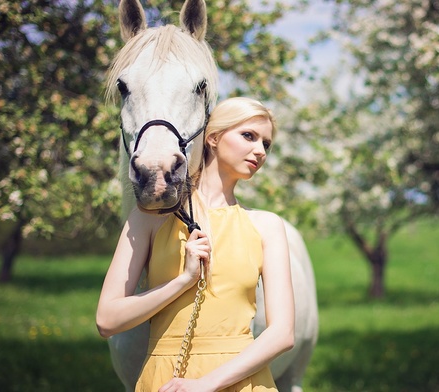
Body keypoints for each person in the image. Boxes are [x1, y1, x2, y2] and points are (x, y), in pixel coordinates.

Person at [96, 97, 295, 392]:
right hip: (165, 380)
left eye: (266, 144)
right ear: (213, 137)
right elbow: (107, 320)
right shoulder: (150, 218)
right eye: (248, 136)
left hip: (243, 383)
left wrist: (206, 384)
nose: (259, 151)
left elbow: (283, 333)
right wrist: (183, 281)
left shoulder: (267, 226)